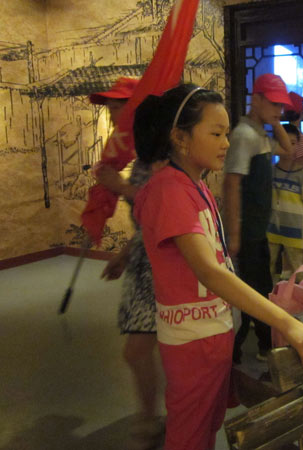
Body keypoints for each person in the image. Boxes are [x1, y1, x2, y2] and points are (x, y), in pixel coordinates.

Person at [132, 84, 303, 450]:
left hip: (211, 333)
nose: (225, 143)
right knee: (189, 437)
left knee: (204, 428)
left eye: (226, 133)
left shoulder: (194, 185)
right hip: (193, 340)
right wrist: (285, 322)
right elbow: (209, 271)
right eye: (216, 134)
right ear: (180, 137)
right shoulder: (169, 191)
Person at [92, 77, 166, 450]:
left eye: (118, 107)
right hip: (142, 263)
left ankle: (150, 420)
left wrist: (118, 186)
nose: (112, 115)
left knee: (137, 351)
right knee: (146, 350)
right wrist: (124, 254)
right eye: (110, 108)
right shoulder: (142, 156)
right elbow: (146, 220)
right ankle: (154, 417)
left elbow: (162, 204)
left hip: (158, 268)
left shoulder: (158, 157)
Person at [223, 74, 294, 363]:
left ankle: (256, 345)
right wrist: (234, 235)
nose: (280, 110)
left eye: (282, 105)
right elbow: (231, 184)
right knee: (250, 291)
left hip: (257, 229)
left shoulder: (260, 133)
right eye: (274, 103)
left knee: (257, 287)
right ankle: (253, 348)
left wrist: (275, 123)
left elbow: (289, 150)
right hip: (247, 230)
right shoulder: (244, 135)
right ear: (257, 99)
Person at [267, 123, 303, 282]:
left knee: (298, 269)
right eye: (284, 142)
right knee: (268, 266)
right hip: (272, 227)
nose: (289, 147)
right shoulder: (271, 171)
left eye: (293, 143)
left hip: (295, 228)